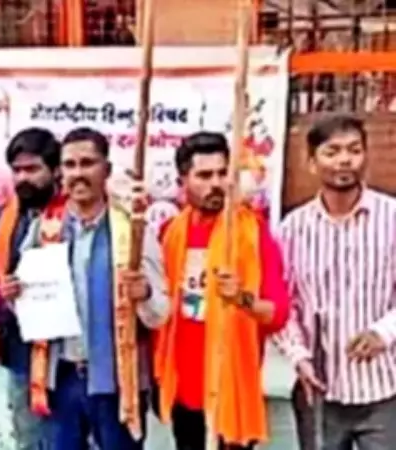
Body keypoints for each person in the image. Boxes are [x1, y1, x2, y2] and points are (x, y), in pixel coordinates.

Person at [7, 127, 169, 450]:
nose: (78, 174)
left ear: (106, 169)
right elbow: (26, 303)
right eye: (70, 165)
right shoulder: (44, 228)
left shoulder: (132, 229)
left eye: (87, 163)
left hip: (117, 382)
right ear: (60, 172)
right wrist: (13, 295)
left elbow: (160, 312)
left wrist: (145, 294)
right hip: (60, 378)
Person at [152, 131, 289, 450]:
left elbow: (278, 313)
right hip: (183, 388)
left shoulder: (253, 232)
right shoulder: (169, 234)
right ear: (182, 181)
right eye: (204, 175)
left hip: (231, 388)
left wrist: (241, 299)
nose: (216, 183)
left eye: (222, 173)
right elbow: (158, 313)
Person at [271, 114, 396, 450]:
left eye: (354, 150)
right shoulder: (293, 229)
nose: (344, 160)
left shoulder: (392, 218)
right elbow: (284, 303)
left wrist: (383, 333)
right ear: (312, 162)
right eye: (332, 151)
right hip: (319, 390)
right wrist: (298, 356)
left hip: (386, 387)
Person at [0, 127, 65, 450]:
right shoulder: (2, 219)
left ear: (55, 170)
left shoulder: (77, 215)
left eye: (32, 169)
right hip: (20, 351)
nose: (22, 178)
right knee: (28, 439)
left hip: (69, 356)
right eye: (17, 170)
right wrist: (0, 296)